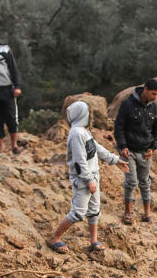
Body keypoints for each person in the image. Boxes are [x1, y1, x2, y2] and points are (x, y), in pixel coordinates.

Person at [46, 101, 128, 254]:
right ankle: (55, 238)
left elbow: (97, 149)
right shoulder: (76, 133)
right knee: (78, 212)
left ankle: (94, 241)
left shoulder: (84, 131)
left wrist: (115, 160)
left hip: (93, 176)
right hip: (84, 179)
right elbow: (79, 160)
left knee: (94, 210)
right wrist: (89, 180)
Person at [114, 79, 157, 224]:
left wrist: (152, 148)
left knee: (145, 182)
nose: (155, 97)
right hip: (129, 151)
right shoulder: (127, 105)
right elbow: (119, 127)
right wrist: (122, 146)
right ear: (145, 89)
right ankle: (128, 212)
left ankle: (147, 213)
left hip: (145, 152)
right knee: (131, 182)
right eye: (153, 93)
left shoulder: (155, 108)